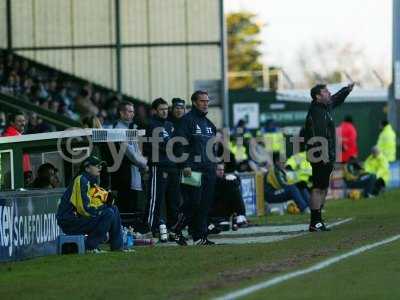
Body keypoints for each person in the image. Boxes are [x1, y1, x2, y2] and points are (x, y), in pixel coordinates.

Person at [304, 82, 354, 232]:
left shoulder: (325, 107)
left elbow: (336, 99)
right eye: (325, 92)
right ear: (318, 96)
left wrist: (346, 90)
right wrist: (322, 155)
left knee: (323, 188)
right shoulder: (316, 113)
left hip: (328, 155)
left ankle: (318, 219)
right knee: (318, 188)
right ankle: (315, 221)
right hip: (320, 156)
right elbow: (317, 136)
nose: (329, 93)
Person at [172, 90, 217, 245]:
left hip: (208, 169)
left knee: (204, 204)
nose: (206, 104)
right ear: (195, 102)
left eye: (207, 101)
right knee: (193, 202)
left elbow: (213, 148)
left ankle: (199, 237)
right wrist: (184, 165)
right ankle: (176, 229)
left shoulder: (210, 125)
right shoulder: (186, 121)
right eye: (202, 101)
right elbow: (178, 145)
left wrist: (216, 165)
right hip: (192, 169)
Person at [56, 156, 123, 252]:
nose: (100, 168)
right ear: (87, 168)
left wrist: (108, 202)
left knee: (113, 209)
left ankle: (118, 247)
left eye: (100, 165)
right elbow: (83, 209)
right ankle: (91, 247)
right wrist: (103, 209)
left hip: (79, 218)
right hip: (70, 221)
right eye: (96, 165)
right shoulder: (81, 180)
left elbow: (96, 203)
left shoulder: (90, 181)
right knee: (108, 213)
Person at [145, 98, 181, 242]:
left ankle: (173, 230)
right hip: (158, 166)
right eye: (162, 109)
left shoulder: (170, 125)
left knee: (174, 200)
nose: (165, 112)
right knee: (156, 199)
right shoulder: (151, 125)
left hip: (172, 166)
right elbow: (156, 146)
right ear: (155, 111)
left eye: (166, 109)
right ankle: (150, 229)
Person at [109, 101, 148, 215]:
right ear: (121, 113)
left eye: (133, 112)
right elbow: (131, 154)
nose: (132, 114)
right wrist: (145, 164)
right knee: (126, 207)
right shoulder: (118, 129)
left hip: (132, 173)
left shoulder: (131, 128)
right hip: (123, 174)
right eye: (129, 111)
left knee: (132, 206)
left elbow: (136, 150)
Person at [208, 163, 248, 232]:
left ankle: (240, 215)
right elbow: (221, 184)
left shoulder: (225, 179)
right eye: (219, 170)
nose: (221, 172)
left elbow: (236, 183)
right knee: (233, 187)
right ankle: (240, 215)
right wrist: (233, 179)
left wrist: (234, 178)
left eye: (223, 170)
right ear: (214, 170)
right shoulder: (211, 180)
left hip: (223, 209)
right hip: (213, 210)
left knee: (234, 190)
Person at [2, 112, 32, 176]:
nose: (23, 124)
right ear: (12, 123)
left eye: (23, 121)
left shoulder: (18, 136)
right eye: (19, 121)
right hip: (16, 176)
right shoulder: (7, 137)